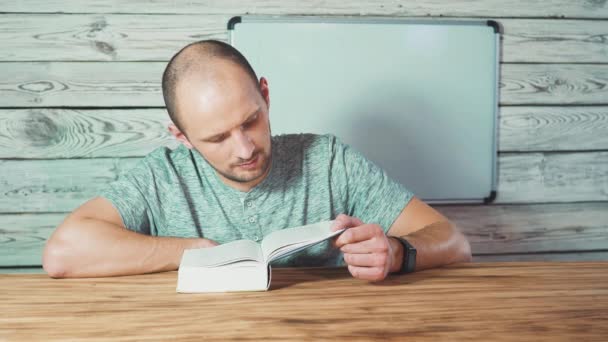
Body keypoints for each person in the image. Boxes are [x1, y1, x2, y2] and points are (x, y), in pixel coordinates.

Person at [43, 40, 472, 281]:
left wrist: (396, 253)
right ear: (183, 137)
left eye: (251, 120)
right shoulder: (162, 176)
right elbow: (63, 254)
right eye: (216, 138)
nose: (245, 149)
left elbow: (454, 241)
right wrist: (190, 251)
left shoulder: (328, 161)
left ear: (265, 96)